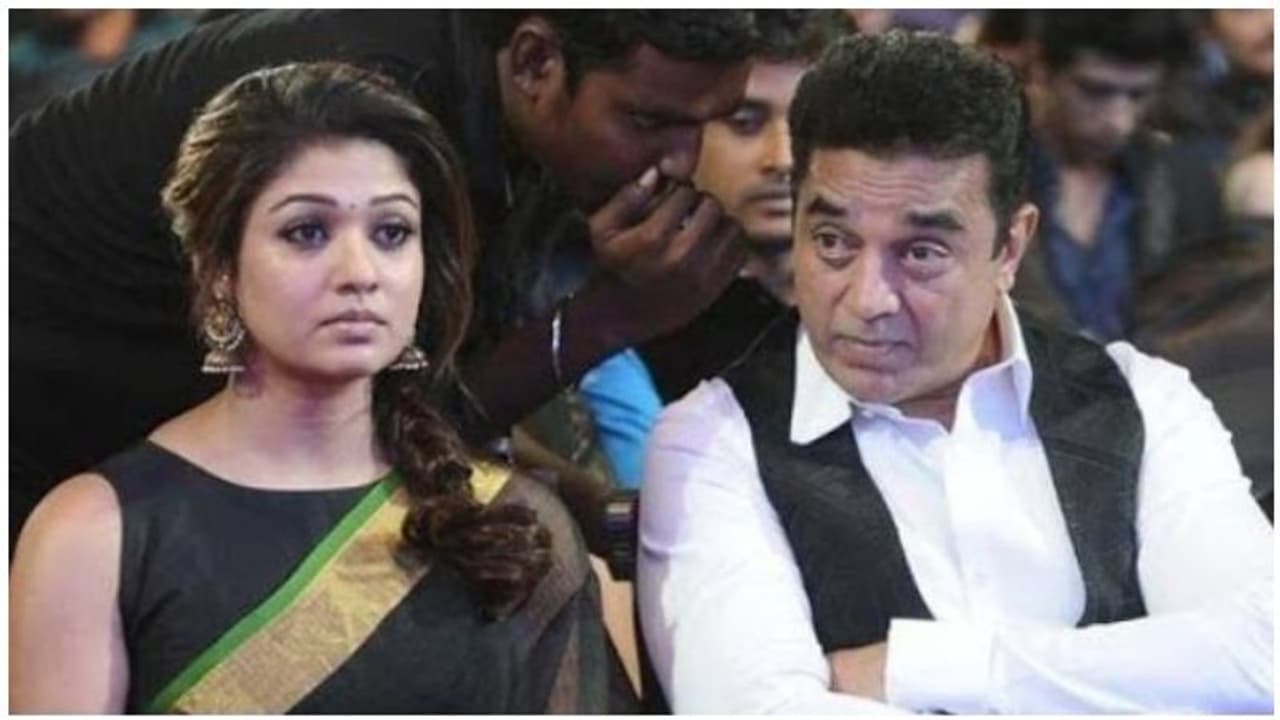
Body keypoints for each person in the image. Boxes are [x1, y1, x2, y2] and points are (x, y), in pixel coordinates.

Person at [639, 31, 1273, 713]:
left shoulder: (1141, 400)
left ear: (1011, 247)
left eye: (920, 253)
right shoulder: (714, 439)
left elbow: (1262, 660)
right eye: (833, 241)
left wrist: (914, 670)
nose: (868, 299)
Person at [10, 10, 756, 555]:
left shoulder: (476, 80)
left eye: (713, 123)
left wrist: (604, 512)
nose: (681, 161)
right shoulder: (364, 120)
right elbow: (369, 438)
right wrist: (610, 318)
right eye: (648, 120)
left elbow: (417, 405)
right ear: (536, 63)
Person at [9, 62, 612, 714]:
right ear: (218, 270)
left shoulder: (510, 524)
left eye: (391, 233)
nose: (360, 272)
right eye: (306, 233)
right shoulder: (96, 535)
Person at [1013, 10, 1225, 341]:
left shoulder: (1184, 181)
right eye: (1095, 91)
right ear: (1041, 69)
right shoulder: (988, 171)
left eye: (1138, 95)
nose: (1118, 120)